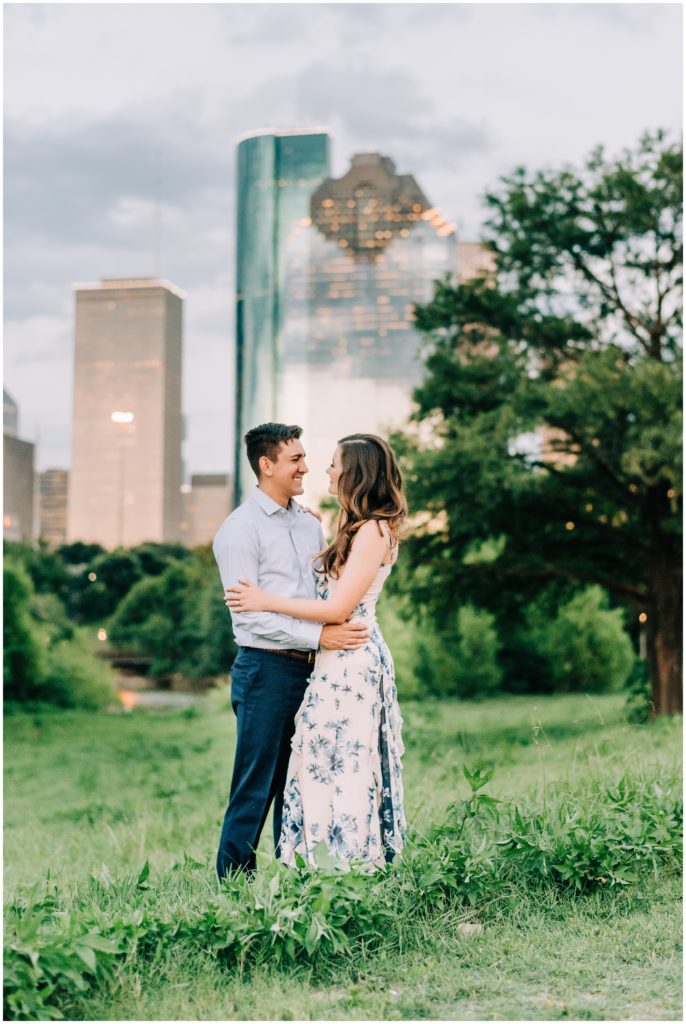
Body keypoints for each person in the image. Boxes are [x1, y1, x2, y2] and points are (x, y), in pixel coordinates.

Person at [225, 433, 407, 868]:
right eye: (299, 458)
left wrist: (266, 599)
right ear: (268, 465)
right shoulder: (250, 529)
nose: (318, 468)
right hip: (300, 664)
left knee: (342, 766)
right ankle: (255, 879)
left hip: (346, 660)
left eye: (330, 463)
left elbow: (337, 606)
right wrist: (309, 532)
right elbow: (295, 595)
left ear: (355, 472)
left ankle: (345, 869)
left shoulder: (371, 530)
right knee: (302, 772)